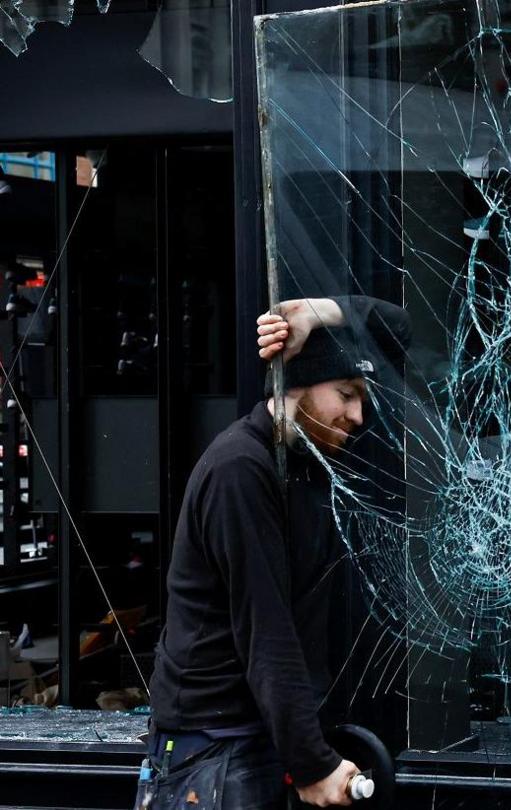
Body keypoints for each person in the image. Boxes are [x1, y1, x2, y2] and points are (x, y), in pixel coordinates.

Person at [136, 296, 409, 809]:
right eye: (346, 394)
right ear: (296, 387)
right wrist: (313, 764)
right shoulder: (240, 469)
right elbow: (266, 628)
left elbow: (402, 324)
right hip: (214, 754)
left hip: (254, 744)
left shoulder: (302, 465)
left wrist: (317, 310)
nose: (358, 415)